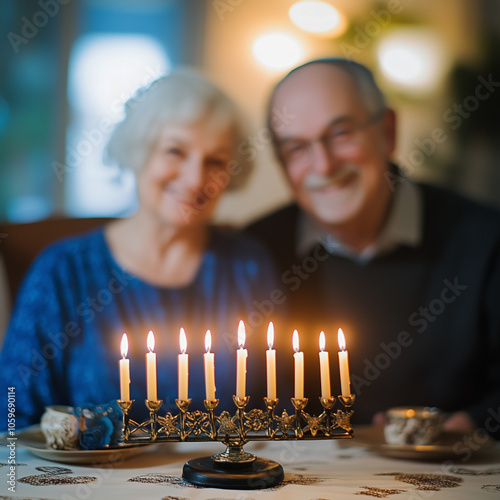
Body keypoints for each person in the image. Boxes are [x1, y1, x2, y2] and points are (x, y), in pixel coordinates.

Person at [0, 70, 279, 431]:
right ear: (139, 151)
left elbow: (279, 403)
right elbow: (12, 413)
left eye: (215, 161)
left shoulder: (248, 266)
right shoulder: (62, 269)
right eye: (175, 151)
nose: (195, 179)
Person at [246, 58, 500, 439]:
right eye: (296, 147)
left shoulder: (486, 238)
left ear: (388, 131)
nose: (324, 164)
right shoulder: (255, 251)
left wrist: (472, 425)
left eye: (341, 133)